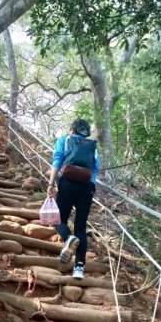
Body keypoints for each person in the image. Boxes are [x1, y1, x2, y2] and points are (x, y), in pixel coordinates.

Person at [47, 118, 100, 279]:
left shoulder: (64, 140)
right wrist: (90, 185)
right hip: (87, 187)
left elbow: (57, 160)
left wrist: (51, 184)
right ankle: (79, 267)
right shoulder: (93, 147)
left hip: (68, 183)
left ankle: (69, 239)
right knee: (80, 227)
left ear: (72, 130)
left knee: (57, 220)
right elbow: (95, 169)